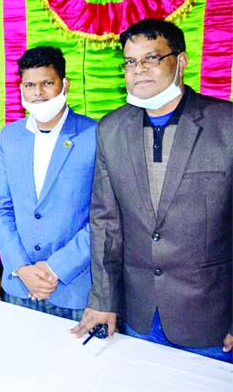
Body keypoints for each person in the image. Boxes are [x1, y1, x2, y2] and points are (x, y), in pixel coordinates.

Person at [71, 19, 233, 362]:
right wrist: (103, 300)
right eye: (130, 62)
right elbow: (105, 223)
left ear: (182, 61)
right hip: (139, 315)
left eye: (151, 58)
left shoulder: (226, 124)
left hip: (211, 319)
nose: (139, 70)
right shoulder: (112, 129)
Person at [0, 47, 96, 319]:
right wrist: (22, 267)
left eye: (47, 83)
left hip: (73, 287)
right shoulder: (11, 137)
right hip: (20, 285)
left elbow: (104, 217)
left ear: (64, 85)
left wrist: (55, 268)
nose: (38, 93)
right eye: (30, 85)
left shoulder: (94, 135)